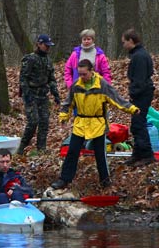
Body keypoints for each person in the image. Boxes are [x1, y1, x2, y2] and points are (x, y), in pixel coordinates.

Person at [50, 59, 140, 189]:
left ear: (91, 71)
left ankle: (105, 182)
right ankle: (64, 179)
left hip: (98, 123)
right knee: (72, 152)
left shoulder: (102, 85)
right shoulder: (76, 85)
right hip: (80, 123)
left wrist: (132, 109)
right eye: (80, 74)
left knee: (100, 154)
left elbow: (117, 100)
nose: (82, 77)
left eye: (84, 74)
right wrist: (64, 117)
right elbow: (68, 103)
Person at [17, 34, 61, 155]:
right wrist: (27, 94)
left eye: (49, 46)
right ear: (39, 44)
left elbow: (51, 79)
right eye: (46, 45)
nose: (47, 48)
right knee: (33, 121)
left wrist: (55, 94)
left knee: (44, 122)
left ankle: (41, 149)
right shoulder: (30, 59)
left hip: (43, 95)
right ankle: (22, 147)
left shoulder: (48, 60)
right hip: (31, 94)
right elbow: (23, 78)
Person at [121, 28, 157, 167]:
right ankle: (137, 154)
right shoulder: (139, 55)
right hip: (142, 93)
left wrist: (133, 93)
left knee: (139, 124)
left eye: (124, 42)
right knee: (136, 125)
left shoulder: (139, 56)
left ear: (131, 41)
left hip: (142, 94)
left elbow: (140, 80)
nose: (123, 45)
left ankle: (147, 154)